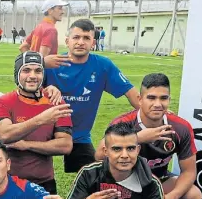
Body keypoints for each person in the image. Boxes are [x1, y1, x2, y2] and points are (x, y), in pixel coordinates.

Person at [95, 73, 202, 199]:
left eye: (163, 98)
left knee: (193, 196)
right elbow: (99, 156)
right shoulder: (123, 123)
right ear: (140, 99)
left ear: (169, 99)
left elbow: (189, 171)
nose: (158, 104)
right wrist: (136, 138)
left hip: (157, 181)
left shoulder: (180, 127)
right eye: (151, 98)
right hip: (122, 183)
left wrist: (172, 197)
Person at [0, 52, 73, 199]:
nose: (32, 75)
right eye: (26, 70)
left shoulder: (55, 101)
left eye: (38, 70)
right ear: (17, 74)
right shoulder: (3, 102)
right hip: (9, 185)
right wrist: (41, 119)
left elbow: (65, 145)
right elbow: (5, 134)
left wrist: (27, 144)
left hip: (44, 184)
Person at [43, 19, 140, 173]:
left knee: (92, 178)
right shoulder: (51, 64)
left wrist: (156, 114)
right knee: (33, 175)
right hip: (45, 131)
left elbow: (131, 93)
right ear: (67, 41)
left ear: (93, 42)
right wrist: (41, 64)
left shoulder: (102, 65)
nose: (81, 42)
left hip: (79, 135)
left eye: (86, 38)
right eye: (76, 37)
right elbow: (22, 83)